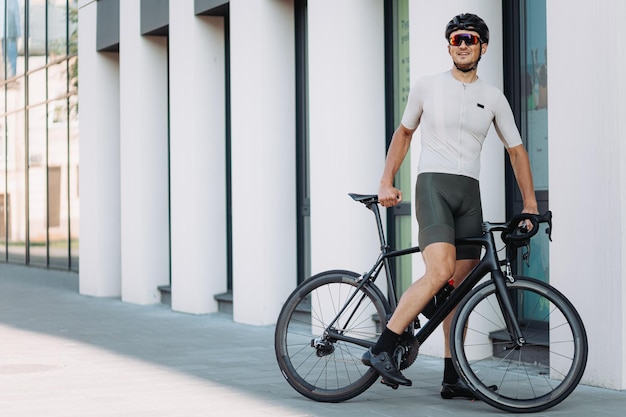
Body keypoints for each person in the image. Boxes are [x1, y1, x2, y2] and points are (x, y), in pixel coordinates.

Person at [361, 13, 539, 400]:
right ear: (448, 46)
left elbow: (517, 150)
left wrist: (529, 203)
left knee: (456, 290)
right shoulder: (427, 86)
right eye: (456, 39)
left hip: (468, 195)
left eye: (469, 39)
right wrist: (386, 181)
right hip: (434, 187)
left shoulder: (492, 97)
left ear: (483, 47)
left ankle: (453, 375)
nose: (462, 45)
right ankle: (383, 349)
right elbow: (405, 133)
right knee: (439, 270)